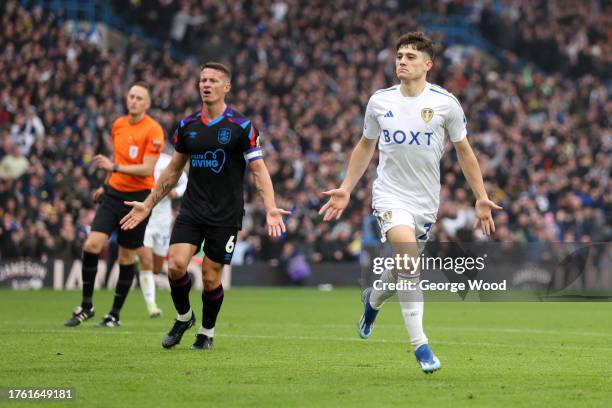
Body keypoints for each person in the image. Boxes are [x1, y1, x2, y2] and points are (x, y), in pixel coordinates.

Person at [319, 32, 501, 373]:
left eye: (410, 57)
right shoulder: (379, 101)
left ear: (427, 65)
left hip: (425, 201)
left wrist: (482, 197)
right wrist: (345, 187)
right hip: (389, 193)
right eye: (399, 55)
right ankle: (421, 347)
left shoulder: (446, 103)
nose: (402, 61)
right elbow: (364, 146)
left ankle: (373, 300)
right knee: (405, 251)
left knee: (405, 264)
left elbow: (465, 151)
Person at [120, 62, 289, 350]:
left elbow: (259, 171)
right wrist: (148, 204)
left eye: (213, 80)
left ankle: (206, 332)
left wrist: (271, 206)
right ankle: (184, 317)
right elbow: (172, 171)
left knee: (210, 278)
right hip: (192, 210)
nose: (206, 85)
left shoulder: (242, 127)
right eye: (202, 80)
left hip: (226, 215)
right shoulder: (188, 126)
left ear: (227, 87)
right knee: (175, 267)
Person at [64, 82, 164, 328]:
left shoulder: (153, 130)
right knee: (92, 244)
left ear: (147, 103)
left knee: (126, 256)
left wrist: (113, 168)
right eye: (131, 96)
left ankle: (114, 314)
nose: (134, 101)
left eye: (139, 98)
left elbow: (148, 169)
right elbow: (118, 160)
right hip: (113, 194)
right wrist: (106, 184)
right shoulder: (118, 124)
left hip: (138, 198)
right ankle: (87, 306)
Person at [136, 149, 188, 317]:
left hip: (163, 221)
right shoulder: (140, 161)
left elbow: (184, 181)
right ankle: (152, 306)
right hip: (144, 218)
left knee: (157, 268)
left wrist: (176, 193)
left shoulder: (168, 161)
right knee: (145, 260)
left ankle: (146, 280)